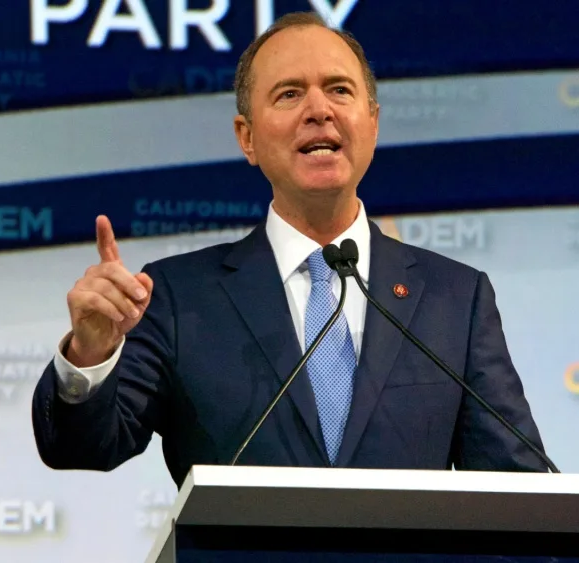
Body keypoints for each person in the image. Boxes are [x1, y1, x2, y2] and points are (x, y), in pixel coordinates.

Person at [31, 11, 547, 487]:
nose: (319, 111)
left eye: (339, 90)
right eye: (289, 94)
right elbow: (83, 446)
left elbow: (518, 487)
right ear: (247, 138)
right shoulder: (177, 297)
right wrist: (91, 353)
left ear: (372, 122)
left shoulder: (456, 298)